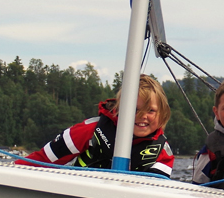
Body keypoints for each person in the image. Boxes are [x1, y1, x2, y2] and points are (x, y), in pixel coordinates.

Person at [15, 75, 175, 177]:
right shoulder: (89, 131)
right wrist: (12, 173)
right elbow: (42, 160)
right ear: (120, 109)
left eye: (151, 111)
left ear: (162, 114)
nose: (142, 116)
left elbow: (158, 191)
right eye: (135, 109)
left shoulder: (163, 151)